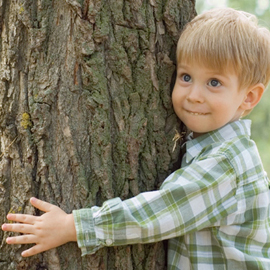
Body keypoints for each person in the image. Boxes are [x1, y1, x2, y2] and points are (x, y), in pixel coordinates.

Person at [2, 7, 270, 269]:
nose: (194, 95)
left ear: (249, 97)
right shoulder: (214, 148)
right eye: (186, 77)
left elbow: (158, 213)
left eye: (214, 82)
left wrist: (73, 227)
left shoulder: (225, 164)